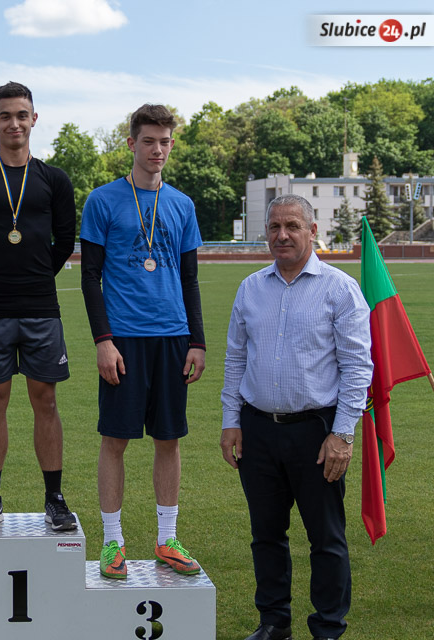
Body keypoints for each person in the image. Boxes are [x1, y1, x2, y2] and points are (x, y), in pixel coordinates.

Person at [220, 194, 372, 640]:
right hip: (258, 429)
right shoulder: (250, 288)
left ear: (312, 231)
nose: (282, 235)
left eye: (292, 226)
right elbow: (235, 359)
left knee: (326, 538)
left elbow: (357, 368)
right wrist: (231, 420)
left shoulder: (340, 289)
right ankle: (274, 622)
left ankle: (328, 627)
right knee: (266, 535)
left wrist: (343, 434)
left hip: (317, 432)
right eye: (274, 227)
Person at [80, 103, 206, 580]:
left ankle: (167, 538)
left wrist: (197, 341)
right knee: (115, 440)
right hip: (125, 340)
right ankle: (112, 542)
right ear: (131, 143)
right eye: (149, 141)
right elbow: (90, 277)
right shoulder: (103, 200)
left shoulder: (182, 205)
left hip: (173, 338)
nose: (157, 149)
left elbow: (190, 279)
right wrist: (103, 340)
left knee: (168, 440)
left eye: (165, 141)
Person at [0, 82, 77, 532]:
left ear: (34, 119)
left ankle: (55, 499)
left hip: (42, 307)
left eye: (22, 115)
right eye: (5, 115)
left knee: (46, 400)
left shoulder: (54, 179)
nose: (14, 123)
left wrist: (38, 272)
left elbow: (65, 239)